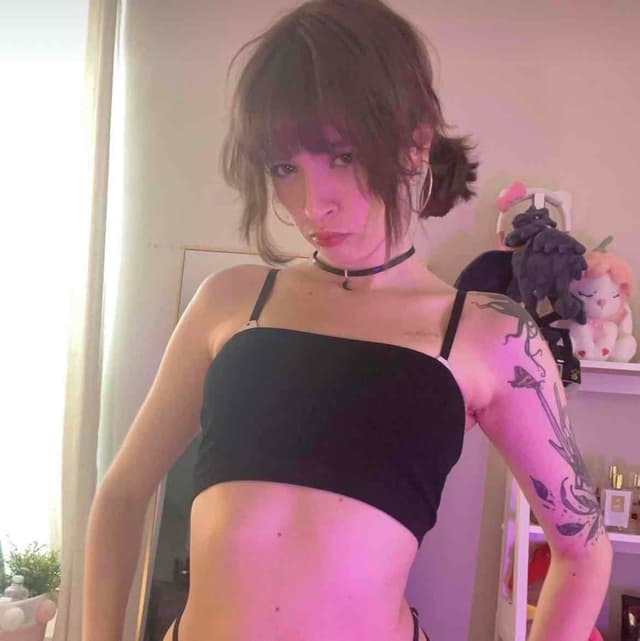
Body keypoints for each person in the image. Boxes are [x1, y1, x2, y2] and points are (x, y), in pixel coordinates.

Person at [82, 1, 613, 641]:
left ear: (416, 143)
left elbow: (582, 551)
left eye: (340, 156)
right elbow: (122, 493)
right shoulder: (230, 302)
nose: (312, 205)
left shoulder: (493, 335)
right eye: (284, 168)